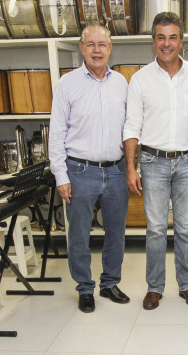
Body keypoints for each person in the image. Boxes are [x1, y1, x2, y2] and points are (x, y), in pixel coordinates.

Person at [123, 12, 188, 311]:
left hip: (187, 162)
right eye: (161, 37)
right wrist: (131, 167)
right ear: (153, 41)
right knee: (156, 229)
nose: (167, 43)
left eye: (173, 37)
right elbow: (131, 127)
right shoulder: (140, 79)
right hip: (152, 162)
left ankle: (187, 285)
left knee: (186, 228)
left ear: (181, 41)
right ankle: (155, 288)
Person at [49, 22, 130, 313]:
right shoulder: (67, 84)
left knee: (116, 232)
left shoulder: (121, 83)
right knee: (80, 234)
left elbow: (130, 128)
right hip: (80, 171)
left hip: (117, 169)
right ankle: (85, 288)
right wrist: (61, 175)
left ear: (110, 48)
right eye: (91, 44)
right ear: (82, 48)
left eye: (103, 44)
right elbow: (56, 134)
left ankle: (109, 283)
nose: (97, 50)